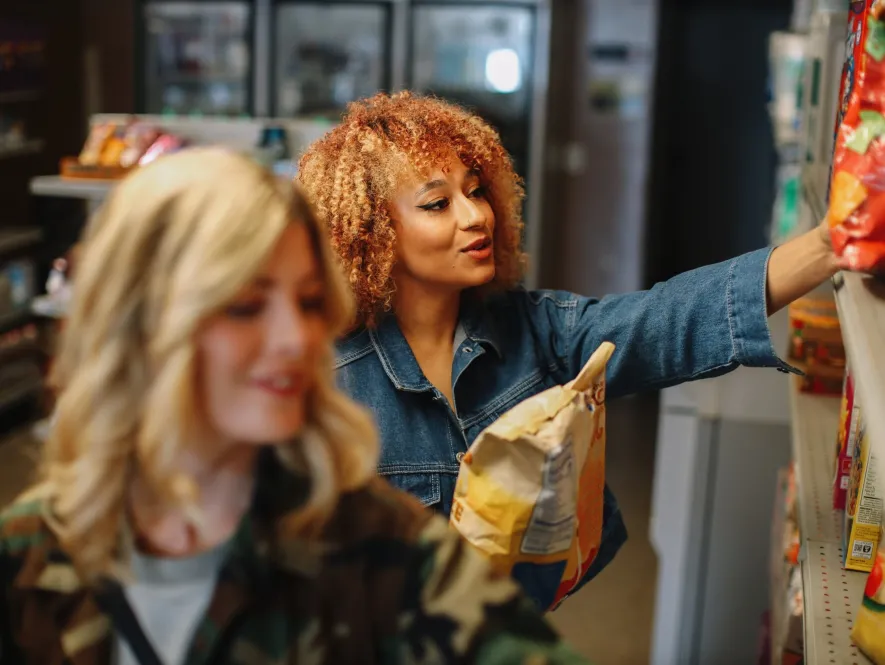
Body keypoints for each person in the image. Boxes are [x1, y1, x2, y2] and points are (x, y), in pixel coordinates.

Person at [0, 148, 589, 664]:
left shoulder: (377, 548)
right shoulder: (29, 550)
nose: (297, 339)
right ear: (141, 328)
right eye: (245, 307)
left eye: (308, 302)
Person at [296, 91, 841, 596]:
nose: (476, 216)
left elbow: (668, 319)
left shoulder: (535, 329)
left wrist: (829, 245)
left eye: (476, 190)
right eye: (438, 204)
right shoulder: (327, 382)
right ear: (372, 234)